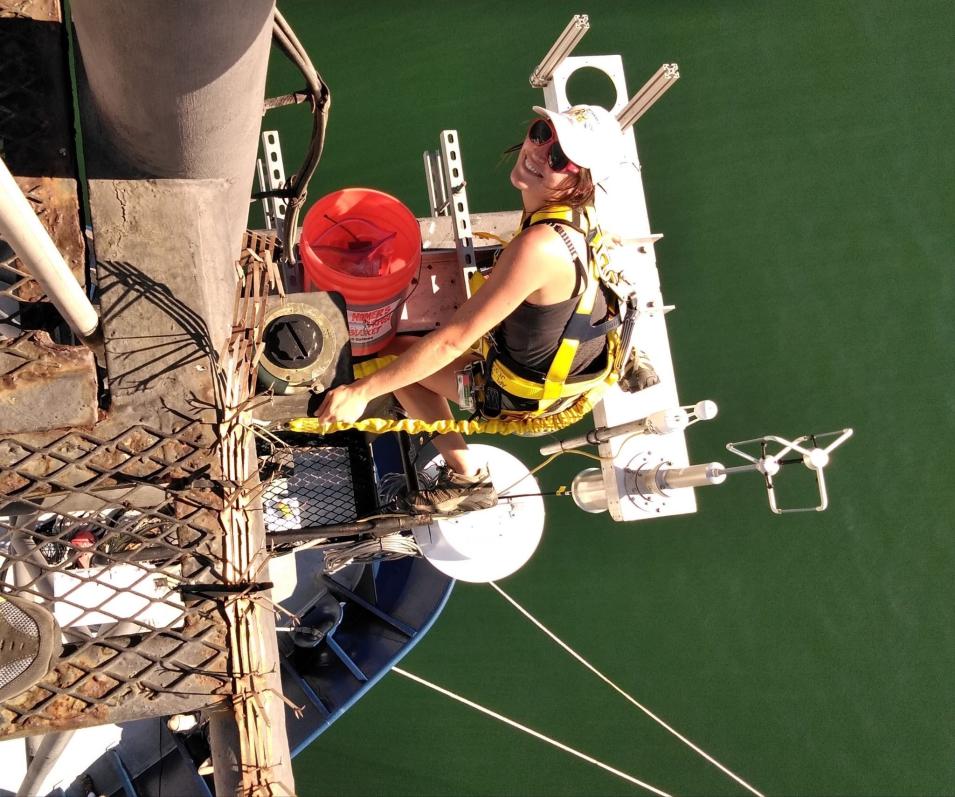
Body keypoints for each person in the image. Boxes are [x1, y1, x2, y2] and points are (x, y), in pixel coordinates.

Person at [315, 104, 626, 513]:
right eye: (541, 133)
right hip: (578, 364)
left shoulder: (541, 245)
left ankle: (466, 477)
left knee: (398, 361)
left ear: (580, 183)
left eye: (557, 158)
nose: (537, 152)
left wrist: (361, 392)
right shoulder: (574, 220)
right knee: (406, 352)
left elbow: (450, 343)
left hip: (523, 395)